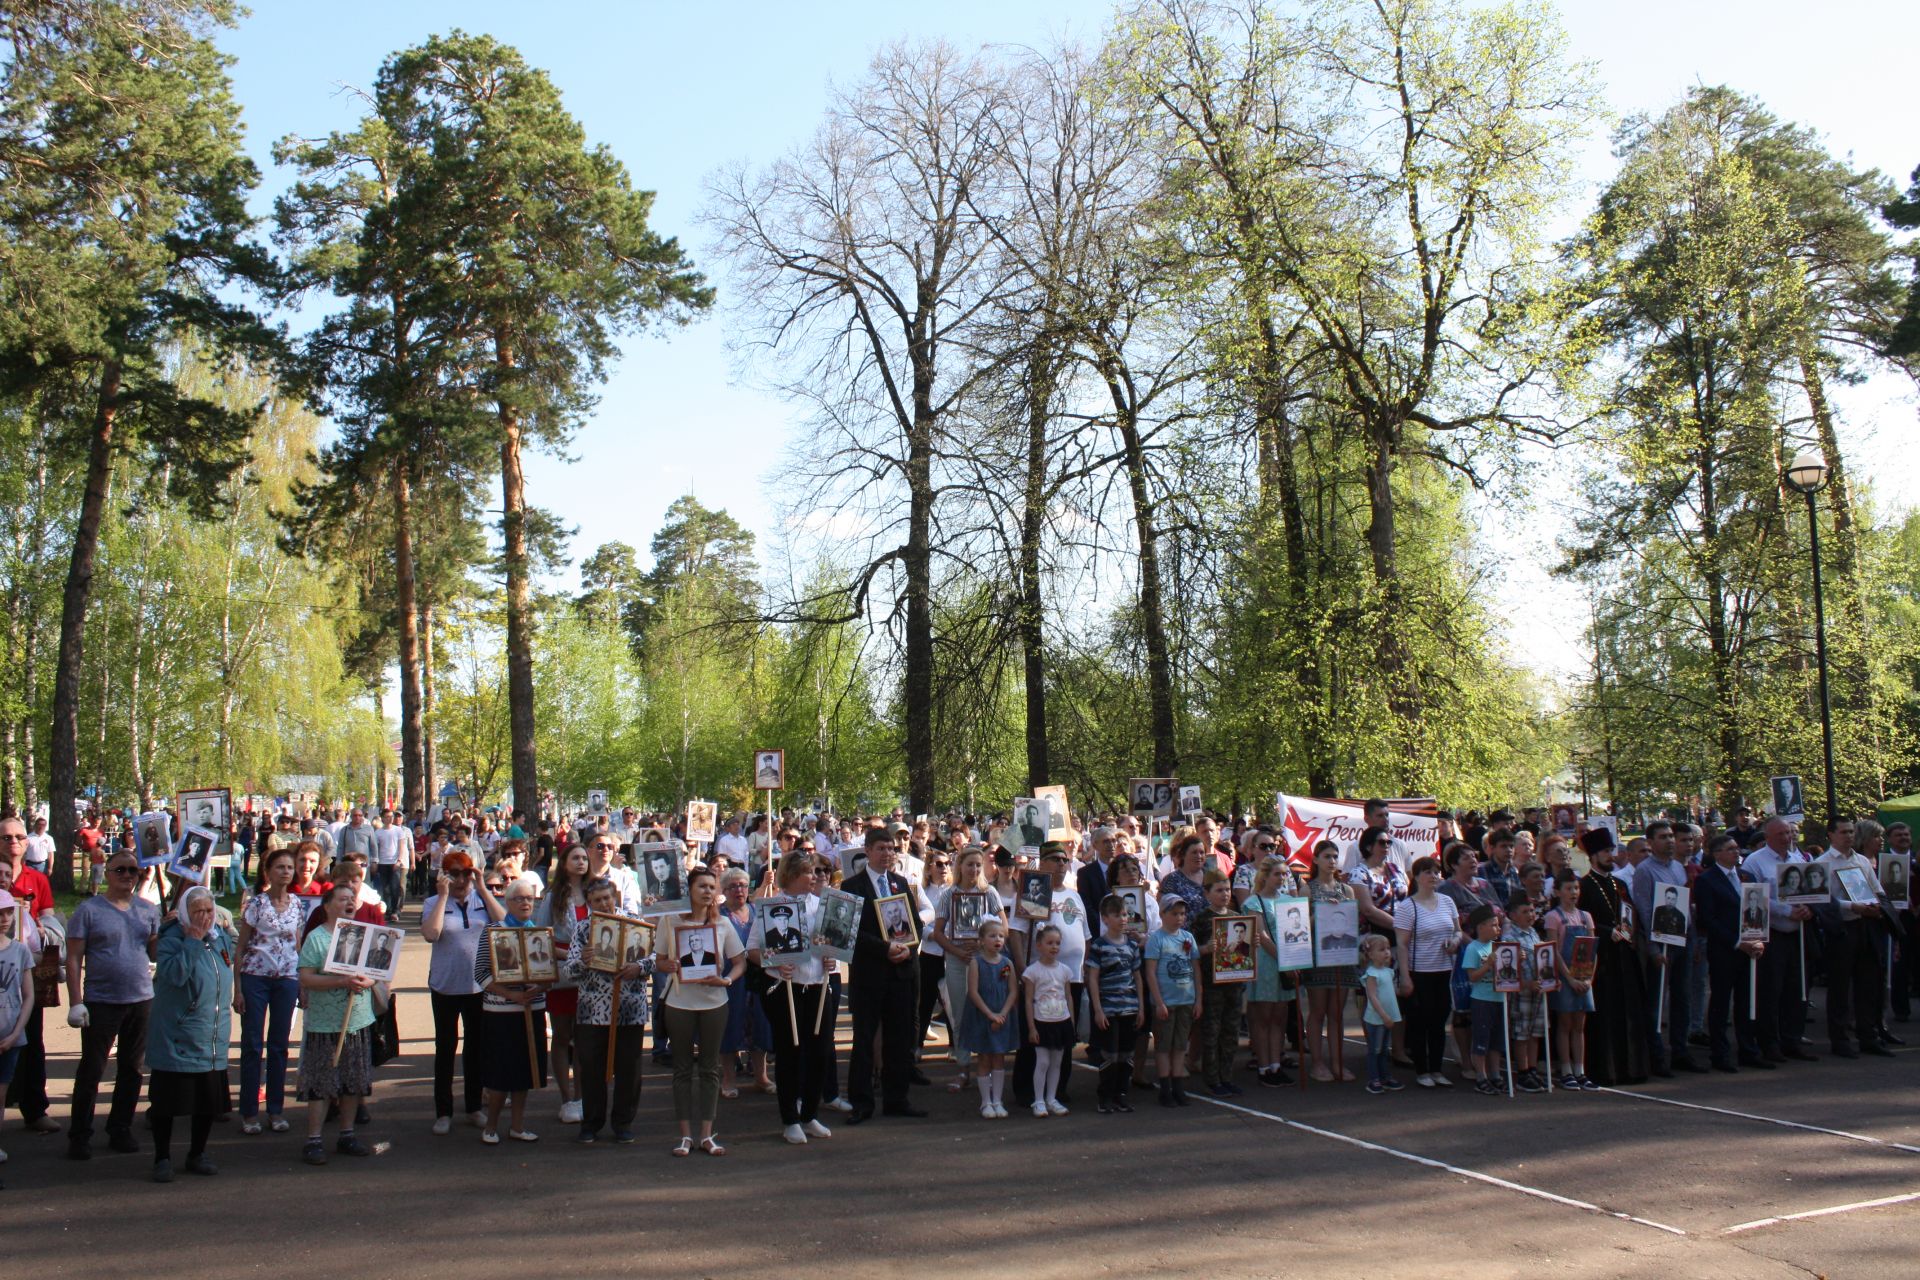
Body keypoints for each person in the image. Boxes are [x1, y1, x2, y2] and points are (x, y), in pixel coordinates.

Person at [64, 848, 161, 1160]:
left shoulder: (148, 910)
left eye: (134, 871)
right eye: (120, 870)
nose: (128, 876)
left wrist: (169, 924)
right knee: (92, 1069)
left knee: (132, 1069)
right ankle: (80, 1133)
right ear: (107, 873)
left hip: (140, 998)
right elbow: (74, 958)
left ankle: (120, 1127)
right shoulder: (89, 911)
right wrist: (76, 1002)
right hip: (101, 1001)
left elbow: (155, 952)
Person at [843, 828, 931, 1124]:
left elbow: (915, 926)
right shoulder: (851, 886)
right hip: (869, 975)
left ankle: (897, 1098)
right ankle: (862, 1102)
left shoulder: (900, 883)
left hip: (900, 974)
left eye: (891, 849)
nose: (887, 854)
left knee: (899, 1039)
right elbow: (850, 932)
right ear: (867, 851)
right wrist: (884, 949)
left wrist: (908, 948)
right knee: (865, 1040)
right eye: (881, 848)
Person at [656, 866, 745, 1155]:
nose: (707, 891)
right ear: (690, 891)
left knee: (710, 1068)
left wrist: (728, 979)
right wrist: (667, 965)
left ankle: (706, 1134)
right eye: (702, 886)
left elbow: (740, 960)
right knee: (682, 1069)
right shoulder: (670, 922)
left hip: (714, 1002)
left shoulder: (722, 924)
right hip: (679, 1003)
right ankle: (685, 1136)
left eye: (711, 886)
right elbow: (658, 960)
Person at [147, 886, 234, 1181]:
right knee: (167, 1104)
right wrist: (192, 941)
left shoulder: (220, 937)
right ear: (186, 912)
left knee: (207, 1103)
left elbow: (229, 963)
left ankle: (198, 1152)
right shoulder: (172, 939)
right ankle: (162, 1157)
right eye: (198, 911)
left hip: (211, 1036)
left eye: (210, 911)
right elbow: (174, 975)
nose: (205, 918)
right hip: (179, 1035)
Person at [748, 853, 835, 1144]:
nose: (815, 877)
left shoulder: (822, 905)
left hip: (817, 986)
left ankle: (809, 1114)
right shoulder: (772, 905)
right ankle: (790, 1118)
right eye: (809, 873)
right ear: (793, 875)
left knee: (820, 1052)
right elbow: (753, 950)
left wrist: (830, 959)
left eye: (815, 872)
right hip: (784, 989)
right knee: (790, 1052)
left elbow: (831, 943)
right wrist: (773, 964)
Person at [420, 851, 504, 1134]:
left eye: (465, 873)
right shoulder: (434, 902)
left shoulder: (481, 900)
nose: (460, 880)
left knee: (476, 1047)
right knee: (445, 1047)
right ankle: (443, 1111)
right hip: (446, 984)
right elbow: (431, 933)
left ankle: (473, 1106)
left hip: (478, 984)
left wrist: (482, 887)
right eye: (453, 874)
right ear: (443, 876)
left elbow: (506, 924)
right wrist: (443, 897)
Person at [296, 883, 378, 1165]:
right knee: (321, 1082)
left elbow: (376, 970)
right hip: (324, 1023)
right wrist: (341, 981)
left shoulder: (363, 936)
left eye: (352, 899)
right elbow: (306, 978)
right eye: (342, 899)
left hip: (357, 1020)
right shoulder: (317, 939)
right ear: (327, 906)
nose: (349, 902)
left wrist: (369, 980)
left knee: (352, 1082)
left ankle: (347, 1134)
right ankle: (314, 1140)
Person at [1008, 843, 1089, 1109]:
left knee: (1063, 1034)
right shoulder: (1034, 890)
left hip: (1070, 978)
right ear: (1041, 862)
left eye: (1065, 860)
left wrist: (1084, 966)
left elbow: (1085, 935)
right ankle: (1026, 1089)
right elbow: (1017, 932)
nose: (1061, 864)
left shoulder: (1074, 897)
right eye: (1055, 859)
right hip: (1039, 977)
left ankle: (1057, 1089)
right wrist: (1022, 970)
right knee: (1036, 1034)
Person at [234, 847, 305, 1134]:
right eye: (280, 867)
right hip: (255, 978)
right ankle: (249, 1112)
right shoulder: (256, 905)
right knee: (252, 1043)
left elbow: (298, 946)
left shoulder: (298, 904)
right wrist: (237, 989)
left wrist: (303, 982)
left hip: (286, 979)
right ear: (268, 872)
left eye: (289, 868)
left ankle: (275, 1110)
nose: (285, 872)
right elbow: (240, 948)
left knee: (279, 1046)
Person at [1814, 817, 1893, 1058]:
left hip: (1865, 927)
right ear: (1831, 835)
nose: (1848, 836)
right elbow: (1823, 900)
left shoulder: (1861, 861)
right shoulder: (1822, 863)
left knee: (1867, 984)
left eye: (1851, 832)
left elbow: (1876, 889)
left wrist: (1877, 906)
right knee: (1840, 986)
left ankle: (1868, 1036)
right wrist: (1853, 907)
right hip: (1841, 929)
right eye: (1843, 832)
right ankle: (1840, 1039)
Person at [1696, 833, 1769, 1072]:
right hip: (1724, 950)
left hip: (1749, 949)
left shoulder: (1746, 876)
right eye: (1730, 849)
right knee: (1721, 1001)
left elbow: (1757, 909)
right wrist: (1737, 942)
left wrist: (1758, 938)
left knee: (1747, 1000)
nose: (1736, 853)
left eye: (1737, 848)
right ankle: (1720, 1053)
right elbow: (1708, 919)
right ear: (1717, 854)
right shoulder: (1707, 880)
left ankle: (1748, 1049)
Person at [1302, 840, 1360, 1083]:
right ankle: (1317, 1062)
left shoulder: (1347, 890)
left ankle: (1338, 1062)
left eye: (1335, 856)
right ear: (1315, 859)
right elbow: (1302, 926)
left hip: (1342, 956)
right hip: (1318, 956)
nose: (1332, 861)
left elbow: (1353, 923)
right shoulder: (1307, 889)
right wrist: (1321, 913)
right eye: (1326, 856)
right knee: (1317, 1011)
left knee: (1336, 1013)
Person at [1085, 894, 1145, 1113]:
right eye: (1117, 915)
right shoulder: (1100, 946)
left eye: (1125, 914)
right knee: (1109, 1053)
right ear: (1105, 918)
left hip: (1129, 1006)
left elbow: (1137, 976)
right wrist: (1098, 1009)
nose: (1122, 919)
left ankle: (1121, 1093)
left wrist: (1141, 1007)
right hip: (1109, 1009)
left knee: (1126, 1053)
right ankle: (1105, 1096)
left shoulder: (1132, 946)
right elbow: (1093, 978)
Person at [717, 869, 773, 1100]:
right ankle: (729, 1078)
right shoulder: (717, 916)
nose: (739, 890)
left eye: (742, 885)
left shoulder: (758, 911)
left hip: (758, 978)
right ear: (725, 890)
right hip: (730, 979)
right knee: (730, 1027)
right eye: (733, 886)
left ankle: (761, 1076)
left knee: (760, 1025)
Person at [1243, 856, 1299, 1087]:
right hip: (1266, 963)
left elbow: (1299, 930)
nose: (1282, 878)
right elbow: (1261, 936)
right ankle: (1264, 1067)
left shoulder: (1288, 900)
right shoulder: (1253, 902)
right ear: (1265, 876)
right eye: (1277, 874)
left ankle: (1276, 1064)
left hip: (1286, 963)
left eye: (1284, 874)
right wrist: (1285, 961)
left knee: (1279, 1016)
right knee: (1263, 1016)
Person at [1191, 873, 1245, 1098]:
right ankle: (1212, 1079)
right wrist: (1205, 948)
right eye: (1219, 890)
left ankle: (1226, 1076)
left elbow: (1243, 951)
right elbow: (1191, 949)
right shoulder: (1202, 918)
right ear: (1207, 893)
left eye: (1227, 890)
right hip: (1211, 984)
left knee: (1230, 1031)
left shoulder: (1235, 917)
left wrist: (1251, 944)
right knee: (1211, 1032)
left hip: (1233, 982)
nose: (1225, 894)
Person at [1543, 871, 1598, 1090]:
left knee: (1579, 1024)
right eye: (1568, 888)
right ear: (1557, 892)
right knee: (1565, 1023)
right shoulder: (1553, 917)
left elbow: (1593, 949)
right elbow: (1554, 950)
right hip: (1565, 975)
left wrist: (1588, 978)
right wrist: (1569, 978)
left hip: (1583, 974)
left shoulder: (1586, 916)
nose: (1573, 893)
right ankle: (1565, 1069)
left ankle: (1580, 1069)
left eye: (1576, 888)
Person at [962, 918, 1019, 1118]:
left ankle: (998, 1100)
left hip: (1002, 1015)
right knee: (984, 1057)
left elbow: (1013, 991)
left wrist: (1002, 1014)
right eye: (992, 936)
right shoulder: (976, 962)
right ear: (981, 940)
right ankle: (986, 1102)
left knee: (999, 1057)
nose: (998, 940)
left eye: (1001, 936)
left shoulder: (1007, 963)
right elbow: (973, 992)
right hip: (982, 1015)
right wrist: (990, 1014)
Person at [1145, 895, 1198, 1107]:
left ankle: (1178, 1085)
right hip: (1166, 1001)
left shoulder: (1188, 937)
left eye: (1182, 914)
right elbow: (1150, 972)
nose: (1179, 918)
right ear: (1163, 914)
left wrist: (1198, 999)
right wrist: (1158, 1002)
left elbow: (1195, 969)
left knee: (1180, 1045)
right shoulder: (1157, 939)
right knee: (1163, 1046)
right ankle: (1165, 1087)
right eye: (1174, 913)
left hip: (1186, 999)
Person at [0, 889, 35, 1184]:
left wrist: (15, 1034)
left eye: (7, 912)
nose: (3, 919)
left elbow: (28, 997)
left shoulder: (20, 951)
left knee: (1, 1094)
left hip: (10, 1035)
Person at [1501, 895, 1548, 1092]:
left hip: (1539, 990)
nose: (1530, 915)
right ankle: (1522, 1071)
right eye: (1525, 912)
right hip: (1522, 992)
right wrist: (1526, 982)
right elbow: (1507, 971)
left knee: (1535, 1032)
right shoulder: (1509, 938)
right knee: (1521, 1032)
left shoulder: (1533, 934)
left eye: (1532, 911)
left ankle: (1532, 1069)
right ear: (1512, 916)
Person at [1459, 906, 1506, 1095]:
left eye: (1498, 925)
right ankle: (1481, 1076)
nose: (1498, 929)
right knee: (1481, 1039)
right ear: (1481, 927)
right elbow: (1472, 977)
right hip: (1482, 999)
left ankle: (1496, 1074)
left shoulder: (1498, 946)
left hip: (1499, 997)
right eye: (1494, 925)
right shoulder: (1473, 948)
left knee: (1496, 1040)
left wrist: (1516, 958)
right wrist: (1488, 965)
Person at [1359, 934, 1403, 1094]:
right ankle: (1373, 1079)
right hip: (1377, 1018)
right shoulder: (1372, 974)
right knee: (1375, 1049)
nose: (1387, 952)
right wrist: (1384, 1015)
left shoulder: (1388, 972)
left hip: (1387, 1017)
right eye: (1382, 949)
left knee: (1384, 1049)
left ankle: (1385, 1076)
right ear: (1370, 955)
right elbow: (1372, 996)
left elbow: (1389, 992)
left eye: (1387, 949)